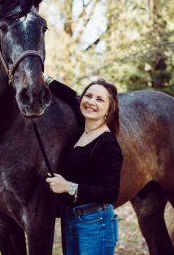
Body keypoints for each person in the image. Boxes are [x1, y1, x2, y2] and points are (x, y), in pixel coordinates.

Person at [45, 78, 123, 255]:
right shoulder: (81, 131)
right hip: (70, 219)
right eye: (89, 96)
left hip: (96, 222)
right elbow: (72, 96)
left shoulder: (107, 143)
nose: (92, 102)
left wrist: (68, 187)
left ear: (109, 110)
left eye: (100, 100)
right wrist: (42, 78)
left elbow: (111, 192)